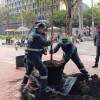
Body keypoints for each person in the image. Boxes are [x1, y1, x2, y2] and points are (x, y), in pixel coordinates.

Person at [21, 23, 56, 99]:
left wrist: (42, 49)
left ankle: (23, 84)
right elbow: (45, 43)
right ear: (40, 28)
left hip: (28, 56)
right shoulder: (37, 36)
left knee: (28, 72)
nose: (43, 30)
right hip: (34, 57)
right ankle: (43, 91)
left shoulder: (32, 34)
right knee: (44, 71)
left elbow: (36, 44)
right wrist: (52, 40)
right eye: (42, 29)